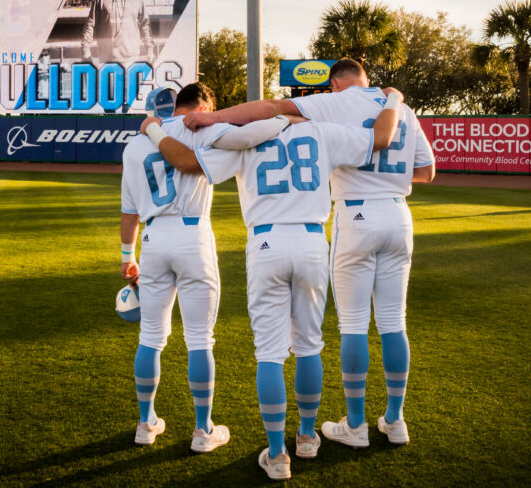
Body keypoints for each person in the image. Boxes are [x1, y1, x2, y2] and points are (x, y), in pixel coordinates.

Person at [141, 87, 403, 480]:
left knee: (269, 353)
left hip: (265, 241)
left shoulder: (250, 133)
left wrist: (158, 130)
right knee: (309, 346)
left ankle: (279, 454)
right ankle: (308, 436)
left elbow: (190, 164)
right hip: (313, 238)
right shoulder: (323, 130)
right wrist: (393, 99)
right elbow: (378, 141)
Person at [183, 59, 435, 448]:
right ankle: (389, 420)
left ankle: (342, 429)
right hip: (392, 215)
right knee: (388, 322)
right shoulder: (390, 110)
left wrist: (206, 119)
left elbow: (259, 115)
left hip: (330, 221)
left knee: (334, 329)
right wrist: (395, 100)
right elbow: (422, 170)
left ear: (335, 84)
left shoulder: (325, 110)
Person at [119, 82, 294, 452]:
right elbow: (252, 133)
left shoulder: (135, 145)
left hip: (152, 239)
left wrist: (126, 256)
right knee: (199, 338)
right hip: (192, 234)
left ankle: (145, 423)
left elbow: (129, 209)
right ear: (205, 106)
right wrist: (286, 116)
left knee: (150, 336)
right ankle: (202, 430)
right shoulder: (206, 127)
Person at [82, 0, 153, 65]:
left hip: (130, 57)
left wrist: (149, 48)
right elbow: (90, 25)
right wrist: (85, 49)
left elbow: (145, 25)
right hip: (107, 57)